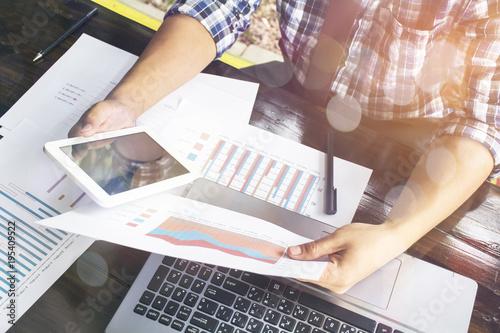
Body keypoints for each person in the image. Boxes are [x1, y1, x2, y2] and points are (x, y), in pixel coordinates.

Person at [69, 0, 499, 294]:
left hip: (414, 138)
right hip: (303, 95)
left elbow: (484, 121)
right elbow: (218, 7)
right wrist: (129, 101)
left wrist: (394, 235)